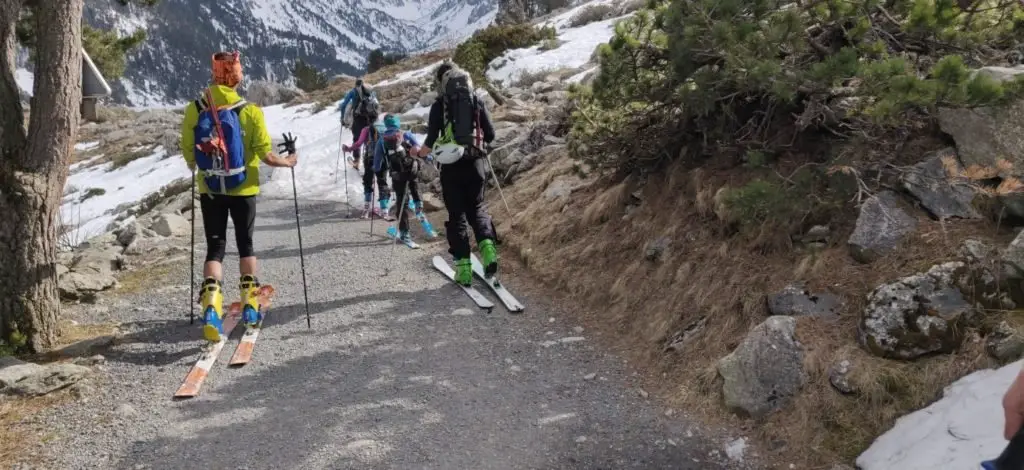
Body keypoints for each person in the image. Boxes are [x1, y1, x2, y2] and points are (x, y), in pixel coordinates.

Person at [180, 51, 298, 343]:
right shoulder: (251, 111)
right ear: (236, 77)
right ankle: (250, 305)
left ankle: (210, 308)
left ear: (214, 73)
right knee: (246, 244)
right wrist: (289, 162)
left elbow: (189, 152)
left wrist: (203, 170)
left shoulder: (195, 109)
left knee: (215, 247)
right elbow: (265, 155)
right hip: (244, 188)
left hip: (211, 189)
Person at [416, 60, 497, 286]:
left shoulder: (439, 104)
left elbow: (430, 142)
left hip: (451, 167)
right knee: (478, 209)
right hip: (476, 163)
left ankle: (463, 271)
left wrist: (418, 152)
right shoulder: (476, 101)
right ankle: (489, 250)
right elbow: (490, 134)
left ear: (442, 82)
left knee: (457, 217)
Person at [374, 113, 424, 243]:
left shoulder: (382, 139)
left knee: (402, 202)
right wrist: (427, 158)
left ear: (386, 124)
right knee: (414, 184)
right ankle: (419, 203)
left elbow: (377, 161)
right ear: (397, 122)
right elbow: (418, 147)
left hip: (397, 174)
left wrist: (377, 169)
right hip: (411, 169)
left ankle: (404, 232)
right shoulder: (405, 134)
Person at [343, 118, 391, 219]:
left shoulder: (366, 129)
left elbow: (358, 143)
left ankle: (366, 209)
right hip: (383, 160)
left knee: (368, 182)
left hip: (370, 159)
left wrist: (348, 149)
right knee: (382, 183)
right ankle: (384, 210)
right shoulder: (385, 128)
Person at [337, 78, 380, 170]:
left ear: (355, 85)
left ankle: (357, 160)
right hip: (371, 119)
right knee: (370, 138)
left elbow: (344, 105)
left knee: (357, 138)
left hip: (359, 119)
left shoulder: (353, 92)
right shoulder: (370, 91)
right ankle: (371, 159)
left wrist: (342, 118)